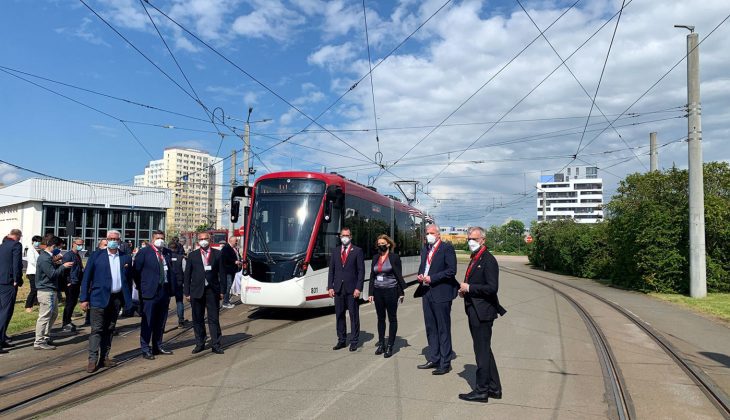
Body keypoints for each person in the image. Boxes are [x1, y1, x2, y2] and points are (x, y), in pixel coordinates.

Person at [458, 227, 506, 402]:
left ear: (483, 240)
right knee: (485, 350)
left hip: (483, 312)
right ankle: (494, 388)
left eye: (474, 239)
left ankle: (481, 391)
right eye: (469, 238)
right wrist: (466, 291)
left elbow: (492, 288)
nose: (470, 241)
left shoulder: (488, 260)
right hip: (475, 308)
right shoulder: (476, 257)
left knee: (481, 352)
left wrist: (470, 288)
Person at [80, 230, 133, 373]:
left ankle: (104, 357)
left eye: (116, 239)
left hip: (116, 299)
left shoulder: (125, 258)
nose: (113, 241)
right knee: (97, 329)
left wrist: (127, 300)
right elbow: (86, 278)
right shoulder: (96, 256)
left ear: (120, 241)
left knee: (110, 329)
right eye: (110, 238)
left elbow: (128, 280)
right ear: (106, 239)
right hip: (98, 298)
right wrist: (84, 298)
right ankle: (92, 359)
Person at [414, 224, 458, 375]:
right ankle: (434, 358)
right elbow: (423, 267)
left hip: (442, 293)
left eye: (432, 233)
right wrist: (420, 276)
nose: (429, 235)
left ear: (438, 235)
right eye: (427, 233)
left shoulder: (447, 248)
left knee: (443, 328)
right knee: (430, 327)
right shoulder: (425, 249)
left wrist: (432, 278)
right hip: (426, 292)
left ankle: (445, 363)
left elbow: (451, 271)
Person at [133, 230, 175, 359]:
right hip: (149, 292)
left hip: (164, 291)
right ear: (152, 239)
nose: (160, 240)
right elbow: (136, 272)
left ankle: (158, 345)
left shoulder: (167, 252)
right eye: (157, 238)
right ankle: (145, 348)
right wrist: (142, 288)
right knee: (148, 321)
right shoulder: (144, 252)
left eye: (162, 238)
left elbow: (171, 270)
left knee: (160, 321)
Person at [184, 231, 224, 355]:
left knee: (213, 318)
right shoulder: (192, 255)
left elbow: (222, 273)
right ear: (198, 241)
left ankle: (216, 344)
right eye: (201, 239)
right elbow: (187, 274)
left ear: (210, 239)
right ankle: (200, 343)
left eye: (205, 238)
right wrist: (187, 292)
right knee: (197, 318)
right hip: (196, 290)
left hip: (212, 290)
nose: (203, 240)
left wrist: (223, 291)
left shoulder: (218, 254)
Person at [368, 234, 407, 358]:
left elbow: (399, 276)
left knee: (392, 318)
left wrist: (401, 293)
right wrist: (370, 293)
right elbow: (372, 276)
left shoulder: (394, 258)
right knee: (380, 318)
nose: (380, 246)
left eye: (383, 243)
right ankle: (381, 344)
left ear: (388, 244)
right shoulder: (375, 258)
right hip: (378, 291)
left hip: (391, 291)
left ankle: (390, 346)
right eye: (378, 244)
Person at [327, 227, 365, 352]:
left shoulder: (357, 251)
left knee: (354, 316)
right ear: (340, 236)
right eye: (343, 235)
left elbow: (361, 271)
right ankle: (341, 340)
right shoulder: (335, 251)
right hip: (338, 288)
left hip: (352, 289)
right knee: (339, 316)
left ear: (351, 237)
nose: (345, 237)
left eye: (347, 235)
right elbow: (331, 271)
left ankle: (354, 341)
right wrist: (330, 286)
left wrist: (358, 288)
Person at [34, 235, 73, 350]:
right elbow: (52, 274)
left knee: (53, 313)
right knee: (45, 316)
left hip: (50, 289)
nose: (59, 250)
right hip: (46, 290)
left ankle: (45, 336)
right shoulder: (44, 258)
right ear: (53, 246)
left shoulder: (48, 257)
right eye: (58, 247)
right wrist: (63, 266)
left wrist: (56, 263)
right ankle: (39, 340)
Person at [0, 229, 24, 353]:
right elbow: (17, 264)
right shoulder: (16, 245)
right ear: (17, 236)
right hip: (8, 282)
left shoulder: (2, 245)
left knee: (2, 310)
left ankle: (3, 338)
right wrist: (17, 279)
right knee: (6, 311)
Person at [61, 237, 85, 332]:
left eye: (82, 244)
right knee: (69, 303)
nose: (80, 246)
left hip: (76, 282)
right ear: (73, 244)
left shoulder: (77, 255)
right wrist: (68, 282)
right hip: (71, 283)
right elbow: (65, 270)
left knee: (73, 302)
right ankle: (65, 322)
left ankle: (68, 320)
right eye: (79, 244)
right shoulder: (68, 255)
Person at [168, 242, 188, 328]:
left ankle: (162, 322)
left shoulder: (166, 257)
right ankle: (181, 321)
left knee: (165, 304)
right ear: (177, 249)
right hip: (179, 283)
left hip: (168, 284)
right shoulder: (181, 258)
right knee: (179, 302)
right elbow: (185, 271)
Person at [220, 236, 242, 309]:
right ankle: (225, 302)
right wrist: (234, 261)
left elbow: (237, 256)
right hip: (228, 270)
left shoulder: (234, 248)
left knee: (229, 285)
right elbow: (224, 259)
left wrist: (239, 260)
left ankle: (226, 300)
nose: (236, 242)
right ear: (231, 240)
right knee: (228, 285)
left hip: (232, 270)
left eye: (236, 241)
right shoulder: (226, 248)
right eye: (235, 241)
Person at [24, 235, 42, 313]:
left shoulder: (36, 250)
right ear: (33, 241)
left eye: (39, 242)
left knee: (37, 289)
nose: (38, 243)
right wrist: (40, 266)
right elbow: (32, 261)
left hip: (36, 272)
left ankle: (35, 302)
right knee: (33, 289)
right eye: (37, 241)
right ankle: (28, 306)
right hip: (32, 272)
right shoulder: (30, 250)